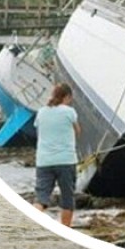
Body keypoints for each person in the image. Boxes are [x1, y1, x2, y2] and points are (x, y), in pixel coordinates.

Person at [32, 83, 81, 226]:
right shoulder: (69, 111)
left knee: (41, 198)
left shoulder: (41, 112)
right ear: (67, 97)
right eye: (70, 99)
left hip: (44, 161)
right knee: (67, 198)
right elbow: (78, 131)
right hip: (66, 161)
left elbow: (39, 132)